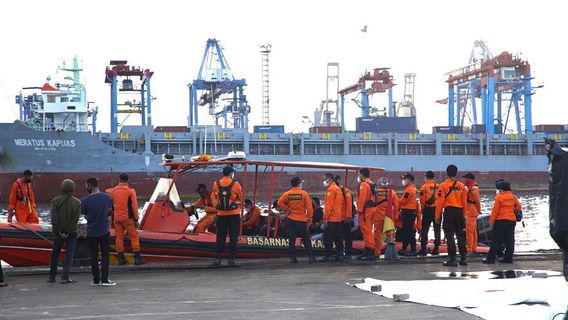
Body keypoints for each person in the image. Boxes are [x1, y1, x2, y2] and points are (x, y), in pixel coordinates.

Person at [82, 177, 116, 287]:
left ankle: (96, 280)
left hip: (91, 232)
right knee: (105, 256)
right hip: (104, 230)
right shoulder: (108, 197)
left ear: (89, 186)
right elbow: (110, 211)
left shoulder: (85, 200)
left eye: (86, 185)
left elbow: (86, 216)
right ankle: (105, 280)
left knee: (93, 256)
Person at [48, 179, 81, 283]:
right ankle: (65, 276)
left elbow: (54, 217)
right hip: (71, 232)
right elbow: (75, 219)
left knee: (55, 254)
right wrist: (67, 231)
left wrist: (60, 230)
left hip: (58, 232)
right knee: (69, 255)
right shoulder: (77, 202)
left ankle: (52, 276)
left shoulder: (55, 200)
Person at [277, 176, 316, 264]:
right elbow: (309, 208)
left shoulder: (287, 194)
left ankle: (293, 259)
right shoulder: (304, 194)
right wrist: (310, 218)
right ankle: (311, 258)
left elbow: (279, 202)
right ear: (299, 184)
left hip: (291, 219)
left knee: (291, 240)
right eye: (301, 183)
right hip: (301, 220)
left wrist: (287, 209)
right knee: (306, 239)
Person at [435, 165, 468, 267]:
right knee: (461, 236)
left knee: (450, 236)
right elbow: (464, 203)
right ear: (456, 173)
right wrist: (464, 216)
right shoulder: (462, 186)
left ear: (447, 173)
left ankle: (452, 259)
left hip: (449, 212)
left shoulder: (443, 186)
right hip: (459, 212)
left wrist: (437, 216)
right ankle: (463, 259)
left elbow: (439, 203)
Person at [483, 180, 522, 264]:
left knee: (496, 240)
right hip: (511, 221)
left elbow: (495, 211)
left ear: (501, 189)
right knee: (510, 240)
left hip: (500, 221)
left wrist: (491, 222)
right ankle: (508, 258)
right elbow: (519, 207)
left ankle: (490, 259)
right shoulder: (513, 197)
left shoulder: (499, 197)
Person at [109, 173, 145, 265]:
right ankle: (137, 259)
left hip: (117, 218)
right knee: (133, 237)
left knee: (119, 238)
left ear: (119, 179)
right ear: (128, 180)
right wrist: (136, 219)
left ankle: (121, 259)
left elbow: (112, 206)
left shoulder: (113, 191)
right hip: (127, 218)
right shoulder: (130, 191)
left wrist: (112, 219)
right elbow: (134, 206)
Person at [211, 165, 244, 267]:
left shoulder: (216, 184)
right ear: (231, 173)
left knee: (220, 236)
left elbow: (216, 196)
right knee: (233, 236)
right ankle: (231, 260)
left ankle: (217, 259)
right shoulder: (236, 184)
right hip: (233, 214)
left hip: (221, 214)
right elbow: (240, 196)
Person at [320, 173, 344, 262]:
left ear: (329, 179)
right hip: (338, 217)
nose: (324, 181)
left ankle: (328, 255)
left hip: (331, 218)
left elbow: (329, 206)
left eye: (324, 179)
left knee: (327, 238)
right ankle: (339, 255)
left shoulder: (331, 190)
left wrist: (325, 218)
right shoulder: (338, 189)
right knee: (338, 238)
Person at [374, 177, 399, 258]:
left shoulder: (376, 192)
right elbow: (396, 206)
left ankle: (377, 253)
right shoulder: (392, 192)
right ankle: (391, 253)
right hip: (389, 218)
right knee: (390, 235)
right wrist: (395, 218)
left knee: (377, 235)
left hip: (378, 217)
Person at [356, 168, 377, 260]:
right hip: (372, 209)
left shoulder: (364, 184)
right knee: (368, 230)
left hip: (365, 211)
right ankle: (368, 249)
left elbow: (362, 199)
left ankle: (370, 250)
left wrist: (359, 211)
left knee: (367, 231)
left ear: (362, 175)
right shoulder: (371, 183)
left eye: (359, 174)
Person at [398, 173, 421, 256]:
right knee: (406, 231)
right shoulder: (412, 189)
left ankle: (413, 249)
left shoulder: (409, 190)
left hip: (408, 212)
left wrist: (395, 200)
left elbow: (403, 201)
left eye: (405, 179)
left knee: (409, 231)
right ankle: (404, 248)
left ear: (410, 180)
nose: (403, 181)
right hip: (409, 211)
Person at [418, 170, 441, 256]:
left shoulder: (424, 187)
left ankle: (423, 249)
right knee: (437, 229)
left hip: (428, 210)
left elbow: (422, 200)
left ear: (426, 177)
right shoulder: (439, 186)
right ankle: (436, 249)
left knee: (425, 230)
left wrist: (422, 210)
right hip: (437, 210)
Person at [334, 175, 354, 259]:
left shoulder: (345, 191)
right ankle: (340, 253)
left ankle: (348, 253)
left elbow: (349, 205)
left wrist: (348, 216)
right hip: (337, 218)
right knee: (338, 236)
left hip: (344, 218)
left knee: (347, 236)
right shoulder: (334, 190)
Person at [463, 172, 481, 253]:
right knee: (473, 230)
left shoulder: (474, 189)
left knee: (469, 231)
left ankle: (470, 248)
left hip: (472, 212)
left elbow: (477, 201)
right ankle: (474, 248)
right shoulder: (471, 188)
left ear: (469, 179)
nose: (464, 180)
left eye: (465, 178)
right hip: (470, 211)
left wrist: (479, 210)